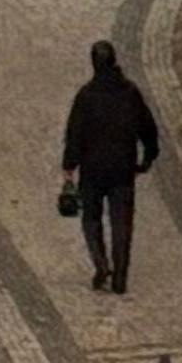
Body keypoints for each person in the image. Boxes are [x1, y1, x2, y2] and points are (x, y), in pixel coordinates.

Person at [57, 41, 162, 296]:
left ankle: (101, 264)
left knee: (91, 219)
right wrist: (148, 156)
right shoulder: (130, 93)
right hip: (122, 169)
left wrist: (69, 165)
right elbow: (147, 128)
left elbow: (74, 134)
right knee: (121, 222)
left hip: (92, 169)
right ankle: (121, 277)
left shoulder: (86, 96)